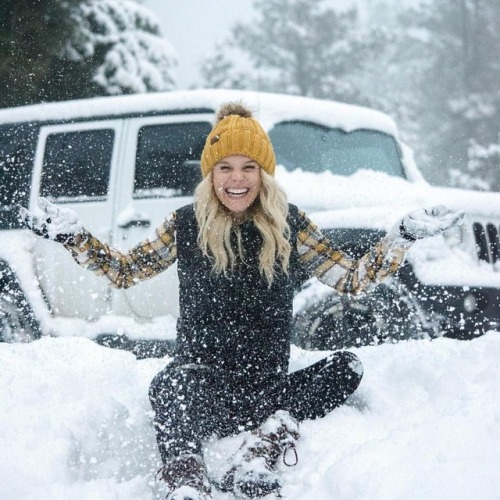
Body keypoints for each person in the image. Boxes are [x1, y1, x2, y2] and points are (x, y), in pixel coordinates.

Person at [20, 102, 464, 500]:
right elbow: (124, 270)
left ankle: (262, 447)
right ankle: (188, 481)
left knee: (347, 367)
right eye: (225, 167)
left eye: (248, 167)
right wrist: (72, 236)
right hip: (203, 385)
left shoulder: (291, 225)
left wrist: (401, 237)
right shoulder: (185, 223)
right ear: (210, 173)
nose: (236, 179)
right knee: (168, 387)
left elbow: (350, 280)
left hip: (268, 388)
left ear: (263, 174)